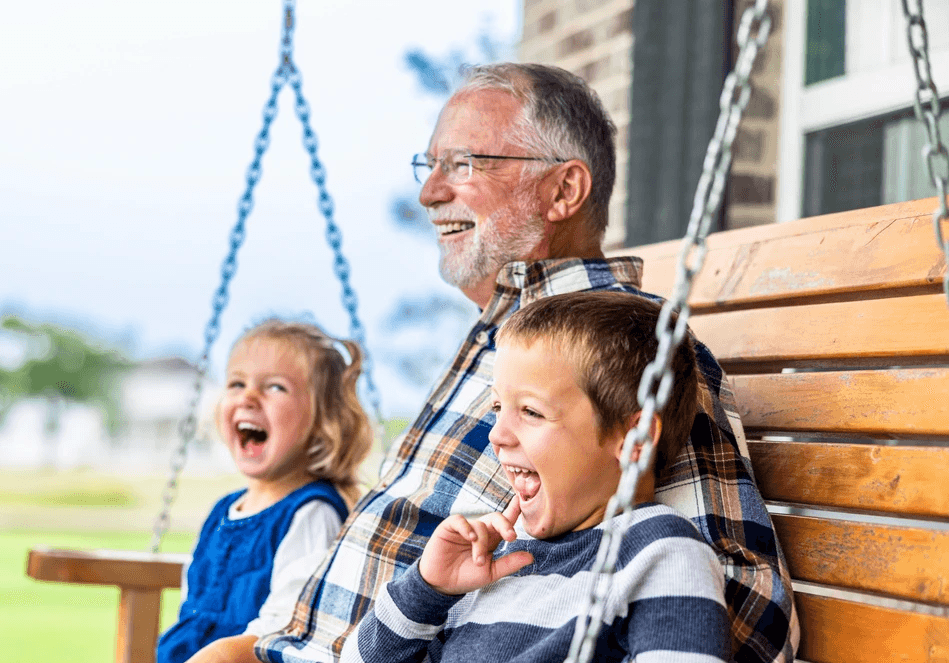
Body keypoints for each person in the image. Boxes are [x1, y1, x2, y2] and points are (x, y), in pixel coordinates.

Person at [194, 62, 797, 663]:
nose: (429, 192)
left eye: (461, 163)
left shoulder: (618, 353)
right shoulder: (507, 340)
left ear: (563, 190)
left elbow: (745, 606)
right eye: (428, 167)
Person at [341, 291, 730, 663]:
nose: (496, 434)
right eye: (497, 406)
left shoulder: (663, 555)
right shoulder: (496, 559)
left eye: (531, 411)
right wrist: (427, 589)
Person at [157, 319, 374, 663]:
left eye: (275, 387)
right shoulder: (223, 512)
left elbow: (288, 630)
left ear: (323, 420)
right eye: (236, 383)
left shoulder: (312, 513)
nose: (248, 397)